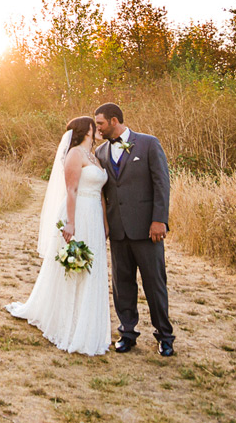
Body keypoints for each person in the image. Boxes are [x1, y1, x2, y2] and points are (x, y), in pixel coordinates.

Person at [6, 116, 111, 356]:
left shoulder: (94, 157)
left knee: (91, 269)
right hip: (79, 213)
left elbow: (102, 193)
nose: (97, 129)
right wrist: (71, 223)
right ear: (86, 131)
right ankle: (68, 323)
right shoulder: (74, 154)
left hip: (94, 216)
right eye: (94, 126)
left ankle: (86, 321)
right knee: (75, 266)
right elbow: (71, 190)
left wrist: (105, 222)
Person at [95, 102, 175, 356]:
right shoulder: (100, 153)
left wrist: (159, 220)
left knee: (155, 284)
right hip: (118, 231)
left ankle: (165, 336)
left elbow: (161, 183)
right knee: (122, 284)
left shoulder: (149, 143)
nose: (97, 129)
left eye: (100, 124)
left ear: (114, 121)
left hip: (146, 229)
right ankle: (127, 333)